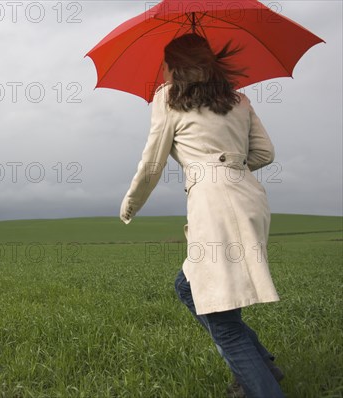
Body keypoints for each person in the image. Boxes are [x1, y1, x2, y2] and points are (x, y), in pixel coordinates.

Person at [119, 33, 285, 398]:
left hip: (217, 206)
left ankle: (261, 383)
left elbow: (152, 164)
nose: (164, 71)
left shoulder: (168, 99)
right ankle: (263, 365)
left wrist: (130, 204)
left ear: (176, 65)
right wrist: (231, 166)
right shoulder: (238, 99)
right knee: (188, 286)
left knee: (221, 318)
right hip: (250, 199)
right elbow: (265, 154)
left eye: (167, 63)